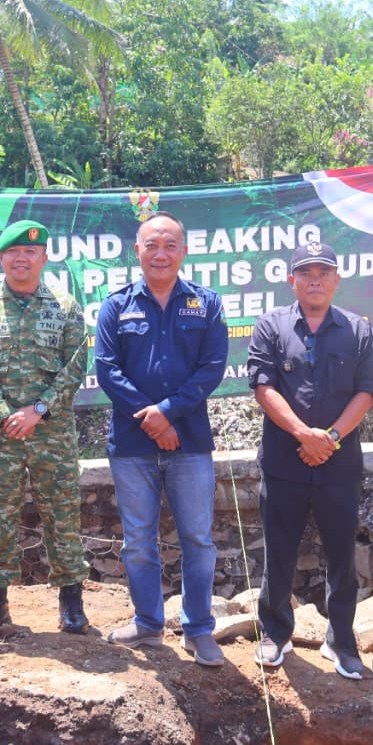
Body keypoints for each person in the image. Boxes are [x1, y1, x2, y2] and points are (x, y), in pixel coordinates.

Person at [95, 211, 229, 667]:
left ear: (184, 251)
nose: (161, 253)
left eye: (170, 245)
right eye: (152, 245)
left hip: (190, 443)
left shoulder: (206, 304)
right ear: (137, 251)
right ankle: (148, 622)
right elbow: (107, 370)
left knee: (198, 539)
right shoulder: (116, 306)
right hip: (132, 445)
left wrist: (168, 412)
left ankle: (198, 629)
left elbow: (212, 368)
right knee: (138, 541)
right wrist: (151, 419)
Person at [246, 242, 373, 679]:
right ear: (292, 281)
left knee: (341, 557)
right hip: (284, 463)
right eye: (306, 273)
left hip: (339, 467)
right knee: (278, 553)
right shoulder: (271, 325)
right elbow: (264, 386)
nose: (315, 280)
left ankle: (341, 641)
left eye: (324, 273)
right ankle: (274, 634)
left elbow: (367, 391)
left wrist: (331, 438)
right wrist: (304, 435)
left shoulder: (358, 330)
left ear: (337, 279)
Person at [0, 219, 90, 639]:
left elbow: (75, 369)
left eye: (30, 252)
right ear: (0, 258)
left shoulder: (66, 308)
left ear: (44, 257)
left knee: (63, 517)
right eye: (14, 252)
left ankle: (71, 602)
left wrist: (37, 411)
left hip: (53, 435)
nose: (22, 258)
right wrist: (5, 414)